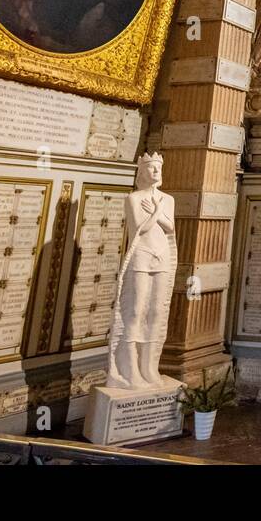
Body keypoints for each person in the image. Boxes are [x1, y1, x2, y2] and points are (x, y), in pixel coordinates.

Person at [106, 152, 177, 389]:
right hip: (141, 256)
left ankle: (149, 366)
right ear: (142, 171)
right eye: (151, 168)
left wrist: (159, 211)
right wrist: (156, 213)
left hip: (162, 256)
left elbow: (171, 227)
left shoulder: (168, 199)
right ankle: (130, 368)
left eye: (158, 167)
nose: (156, 172)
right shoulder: (134, 198)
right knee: (136, 310)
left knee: (156, 311)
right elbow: (139, 229)